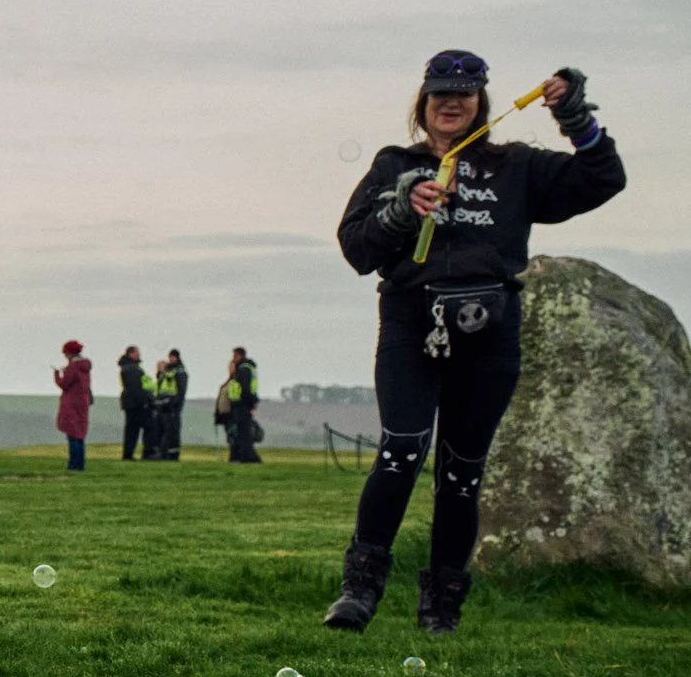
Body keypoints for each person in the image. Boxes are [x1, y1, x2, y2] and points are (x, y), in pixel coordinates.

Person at [324, 53, 624, 634]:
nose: (451, 103)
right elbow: (356, 249)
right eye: (440, 93)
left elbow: (603, 179)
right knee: (401, 449)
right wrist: (400, 209)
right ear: (423, 103)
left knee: (461, 471)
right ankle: (358, 592)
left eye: (463, 94)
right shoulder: (395, 164)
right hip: (411, 322)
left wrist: (575, 116)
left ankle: (442, 607)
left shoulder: (517, 167)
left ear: (481, 102)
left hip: (490, 331)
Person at [54, 340, 92, 471]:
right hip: (83, 402)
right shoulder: (85, 367)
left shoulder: (73, 367)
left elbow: (64, 384)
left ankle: (73, 464)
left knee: (72, 434)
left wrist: (57, 375)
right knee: (80, 434)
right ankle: (80, 463)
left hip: (71, 402)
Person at [224, 347, 261, 464]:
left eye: (234, 356)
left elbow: (245, 388)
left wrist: (249, 404)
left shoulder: (243, 369)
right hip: (243, 404)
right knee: (242, 432)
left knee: (243, 433)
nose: (233, 359)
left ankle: (248, 457)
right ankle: (244, 456)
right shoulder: (248, 368)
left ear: (240, 356)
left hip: (242, 405)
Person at [154, 349, 188, 461]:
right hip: (162, 406)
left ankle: (172, 455)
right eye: (170, 357)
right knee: (161, 431)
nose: (171, 359)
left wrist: (172, 403)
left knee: (172, 432)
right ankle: (163, 454)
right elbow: (161, 387)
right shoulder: (167, 372)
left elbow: (180, 392)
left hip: (172, 407)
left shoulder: (180, 372)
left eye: (173, 357)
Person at [117, 346, 150, 461]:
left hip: (129, 402)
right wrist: (144, 401)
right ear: (131, 354)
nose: (139, 355)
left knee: (131, 428)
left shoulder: (127, 367)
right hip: (135, 403)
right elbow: (135, 387)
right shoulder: (132, 368)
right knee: (134, 429)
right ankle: (129, 454)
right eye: (137, 353)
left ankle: (128, 453)